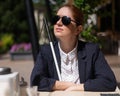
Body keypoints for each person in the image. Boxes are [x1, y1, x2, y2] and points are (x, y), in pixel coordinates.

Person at [30, 4, 117, 92]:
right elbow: (36, 81)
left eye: (65, 20)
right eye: (56, 18)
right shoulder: (47, 51)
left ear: (78, 29)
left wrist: (78, 87)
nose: (58, 23)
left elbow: (109, 81)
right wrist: (67, 85)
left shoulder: (91, 51)